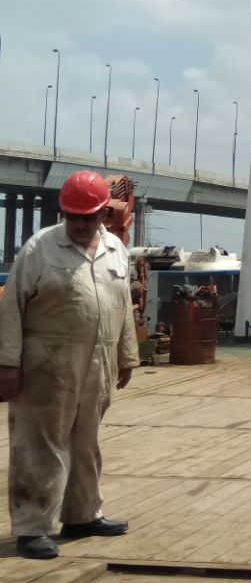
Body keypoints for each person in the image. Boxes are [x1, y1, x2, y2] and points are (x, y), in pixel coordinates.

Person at [0, 170, 139, 560]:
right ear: (63, 213)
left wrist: (127, 356)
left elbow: (122, 306)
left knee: (85, 442)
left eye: (87, 217)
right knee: (39, 444)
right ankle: (32, 528)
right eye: (72, 217)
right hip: (47, 364)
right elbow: (11, 309)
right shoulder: (39, 249)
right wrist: (7, 364)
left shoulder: (116, 248)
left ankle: (82, 515)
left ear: (102, 213)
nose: (79, 225)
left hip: (98, 362)